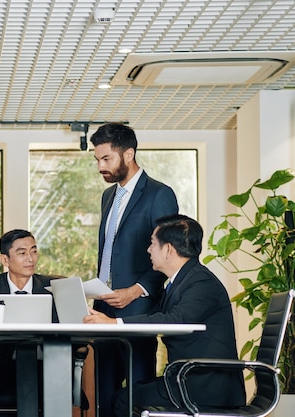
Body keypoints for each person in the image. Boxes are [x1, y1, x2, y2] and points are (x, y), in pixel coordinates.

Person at [83, 214, 246, 416]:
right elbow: (155, 315)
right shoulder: (183, 281)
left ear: (168, 249)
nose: (148, 250)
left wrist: (113, 323)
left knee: (125, 399)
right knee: (130, 392)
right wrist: (107, 317)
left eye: (152, 244)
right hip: (187, 379)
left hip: (206, 386)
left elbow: (173, 319)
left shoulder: (201, 284)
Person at [89, 122, 179, 416]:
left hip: (137, 307)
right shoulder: (107, 197)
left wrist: (135, 290)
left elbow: (169, 253)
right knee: (103, 393)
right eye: (97, 159)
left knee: (137, 394)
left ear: (128, 155)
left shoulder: (159, 194)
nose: (101, 166)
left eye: (106, 159)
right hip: (103, 306)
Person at [0, 229, 58, 417]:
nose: (30, 258)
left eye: (34, 251)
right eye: (22, 253)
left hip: (42, 365)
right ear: (5, 260)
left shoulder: (53, 288)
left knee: (55, 384)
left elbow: (69, 331)